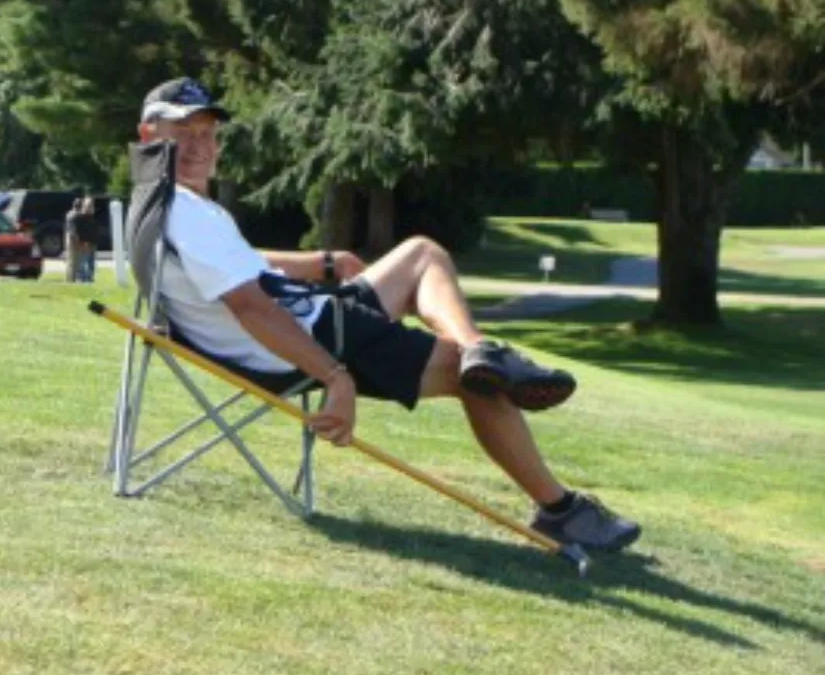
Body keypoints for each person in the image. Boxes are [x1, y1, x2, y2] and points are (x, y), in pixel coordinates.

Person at [137, 77, 641, 551]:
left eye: (207, 132)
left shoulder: (166, 204)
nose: (199, 145)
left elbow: (243, 265)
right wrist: (334, 378)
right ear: (149, 134)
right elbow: (250, 306)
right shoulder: (184, 211)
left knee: (421, 255)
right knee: (477, 380)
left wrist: (324, 262)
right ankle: (560, 509)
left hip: (311, 319)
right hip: (309, 338)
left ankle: (479, 348)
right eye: (183, 131)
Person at [76, 196, 98, 283]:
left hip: (92, 242)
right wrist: (83, 241)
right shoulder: (81, 217)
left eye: (91, 205)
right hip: (84, 243)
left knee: (91, 261)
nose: (90, 207)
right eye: (89, 205)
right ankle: (83, 277)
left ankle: (90, 277)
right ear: (84, 206)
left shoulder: (92, 217)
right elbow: (80, 231)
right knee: (83, 261)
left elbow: (94, 230)